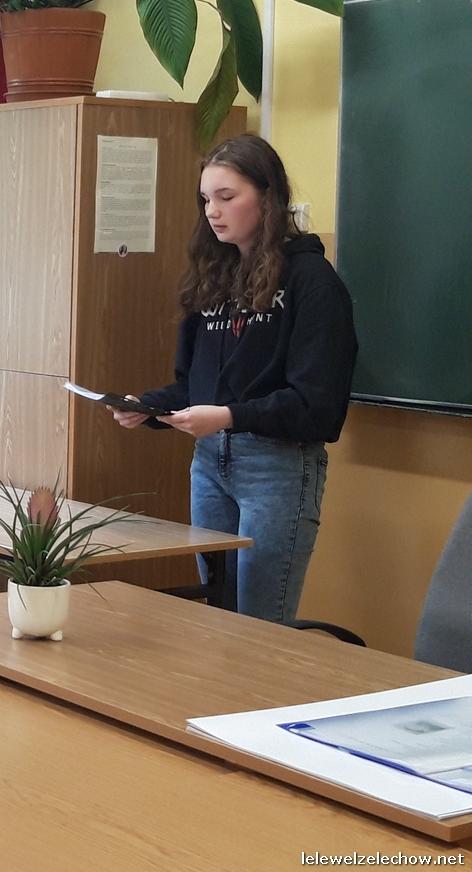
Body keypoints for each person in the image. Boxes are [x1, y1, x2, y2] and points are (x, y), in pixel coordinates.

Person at [110, 133, 357, 623]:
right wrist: (150, 407)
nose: (213, 212)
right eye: (206, 200)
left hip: (277, 468)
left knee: (260, 627)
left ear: (267, 199)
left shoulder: (313, 282)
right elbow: (194, 386)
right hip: (209, 465)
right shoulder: (214, 279)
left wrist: (227, 416)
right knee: (217, 621)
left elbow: (317, 406)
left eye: (227, 197)